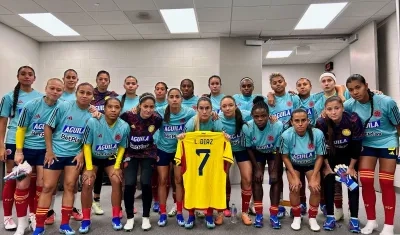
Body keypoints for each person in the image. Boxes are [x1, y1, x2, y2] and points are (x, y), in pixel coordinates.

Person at [33, 83, 95, 235]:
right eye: (81, 92)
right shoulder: (63, 107)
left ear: (92, 96)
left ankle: (65, 225)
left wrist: (81, 153)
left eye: (88, 93)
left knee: (70, 186)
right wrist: (49, 151)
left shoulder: (93, 115)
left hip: (74, 157)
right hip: (55, 154)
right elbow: (47, 128)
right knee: (47, 187)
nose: (84, 95)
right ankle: (39, 227)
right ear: (76, 93)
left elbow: (90, 138)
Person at [344, 74, 400, 235]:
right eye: (351, 90)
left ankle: (389, 225)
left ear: (366, 85)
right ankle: (371, 221)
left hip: (387, 142)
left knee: (386, 182)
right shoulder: (349, 105)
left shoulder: (387, 102)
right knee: (367, 181)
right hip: (366, 145)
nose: (355, 92)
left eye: (358, 87)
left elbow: (398, 125)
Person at [11, 78, 64, 234]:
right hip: (27, 150)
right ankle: (21, 223)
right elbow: (20, 129)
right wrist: (18, 151)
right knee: (22, 186)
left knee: (42, 186)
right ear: (46, 88)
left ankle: (34, 217)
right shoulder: (31, 105)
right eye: (52, 88)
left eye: (59, 90)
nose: (55, 92)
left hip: (46, 152)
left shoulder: (62, 107)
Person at [0, 66, 43, 231]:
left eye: (30, 74)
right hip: (13, 142)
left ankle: (31, 214)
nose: (27, 77)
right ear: (18, 76)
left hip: (33, 143)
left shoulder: (40, 97)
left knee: (30, 181)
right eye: (23, 74)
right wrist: (1, 145)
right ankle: (7, 217)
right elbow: (3, 122)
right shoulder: (9, 97)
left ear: (34, 78)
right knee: (13, 179)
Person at [79, 98, 130, 233]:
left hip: (110, 158)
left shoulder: (124, 126)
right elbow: (87, 145)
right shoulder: (92, 122)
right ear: (104, 108)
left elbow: (122, 148)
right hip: (94, 157)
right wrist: (89, 168)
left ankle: (115, 216)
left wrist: (117, 166)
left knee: (116, 179)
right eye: (110, 107)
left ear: (120, 109)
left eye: (117, 107)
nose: (113, 110)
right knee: (87, 182)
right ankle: (85, 219)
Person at [316, 96, 364, 232]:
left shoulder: (353, 120)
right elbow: (321, 148)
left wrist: (352, 167)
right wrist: (326, 167)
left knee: (353, 185)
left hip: (350, 158)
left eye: (337, 108)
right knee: (329, 183)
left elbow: (356, 145)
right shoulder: (321, 123)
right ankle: (330, 217)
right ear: (325, 110)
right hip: (330, 159)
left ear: (342, 108)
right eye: (329, 109)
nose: (333, 112)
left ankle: (354, 219)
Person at [179, 96, 226, 229]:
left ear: (212, 109)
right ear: (196, 109)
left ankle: (209, 214)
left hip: (211, 164)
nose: (204, 111)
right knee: (191, 187)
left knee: (210, 186)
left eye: (207, 108)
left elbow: (222, 139)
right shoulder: (191, 122)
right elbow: (184, 140)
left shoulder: (216, 121)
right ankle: (191, 215)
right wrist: (182, 137)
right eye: (201, 108)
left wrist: (225, 138)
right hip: (194, 163)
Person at [121, 93, 162, 232]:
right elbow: (115, 123)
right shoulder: (128, 116)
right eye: (145, 106)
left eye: (151, 107)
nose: (148, 110)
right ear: (139, 106)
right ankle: (130, 218)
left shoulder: (157, 119)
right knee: (130, 184)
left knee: (146, 183)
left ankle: (146, 217)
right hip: (131, 153)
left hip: (148, 153)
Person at [155, 88, 196, 227]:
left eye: (177, 97)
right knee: (162, 180)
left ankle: (179, 212)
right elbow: (143, 114)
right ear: (167, 99)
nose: (174, 99)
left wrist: (214, 115)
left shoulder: (189, 112)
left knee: (179, 181)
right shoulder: (160, 111)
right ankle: (162, 213)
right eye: (171, 97)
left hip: (180, 151)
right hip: (163, 150)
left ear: (181, 99)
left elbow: (203, 117)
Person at [280, 109, 326, 232]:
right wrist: (294, 177)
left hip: (311, 164)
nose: (300, 123)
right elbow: (284, 156)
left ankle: (312, 218)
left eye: (303, 120)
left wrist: (315, 176)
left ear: (308, 121)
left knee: (316, 189)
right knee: (294, 187)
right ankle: (296, 216)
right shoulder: (286, 135)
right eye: (297, 121)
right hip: (294, 164)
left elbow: (320, 156)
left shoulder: (318, 134)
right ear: (292, 122)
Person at [242, 96, 284, 229]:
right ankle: (259, 214)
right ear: (252, 116)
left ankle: (274, 214)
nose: (260, 119)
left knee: (276, 178)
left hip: (273, 152)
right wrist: (258, 169)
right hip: (257, 153)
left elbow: (278, 149)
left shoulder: (277, 125)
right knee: (257, 179)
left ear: (268, 115)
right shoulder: (247, 127)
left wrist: (274, 170)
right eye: (256, 116)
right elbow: (248, 148)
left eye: (263, 116)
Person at [219, 96, 252, 225]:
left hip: (241, 149)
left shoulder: (246, 115)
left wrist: (273, 119)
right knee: (223, 177)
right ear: (220, 108)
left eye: (230, 105)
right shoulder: (217, 119)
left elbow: (261, 114)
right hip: (225, 151)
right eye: (224, 106)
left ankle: (244, 212)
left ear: (236, 106)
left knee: (247, 178)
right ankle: (223, 208)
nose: (228, 108)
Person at [91, 70, 119, 216]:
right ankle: (90, 201)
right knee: (91, 173)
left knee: (104, 170)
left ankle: (97, 200)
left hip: (108, 139)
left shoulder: (113, 95)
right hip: (92, 137)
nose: (103, 81)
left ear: (109, 81)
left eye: (106, 79)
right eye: (100, 79)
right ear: (96, 80)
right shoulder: (90, 94)